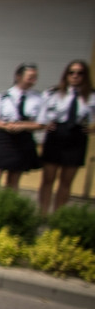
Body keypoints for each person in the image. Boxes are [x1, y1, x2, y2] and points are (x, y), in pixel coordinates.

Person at [37, 61, 94, 215]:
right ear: (66, 74)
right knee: (48, 178)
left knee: (66, 180)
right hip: (56, 135)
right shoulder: (53, 92)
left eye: (79, 73)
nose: (75, 76)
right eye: (72, 72)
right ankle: (42, 213)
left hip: (77, 136)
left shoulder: (91, 96)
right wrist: (44, 124)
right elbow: (41, 114)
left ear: (85, 76)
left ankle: (58, 215)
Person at [0, 63, 44, 191]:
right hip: (5, 139)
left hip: (23, 139)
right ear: (18, 76)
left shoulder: (38, 98)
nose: (33, 80)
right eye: (30, 77)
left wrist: (23, 126)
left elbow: (42, 123)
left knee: (13, 180)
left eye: (35, 77)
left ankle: (7, 208)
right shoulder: (3, 97)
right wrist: (6, 126)